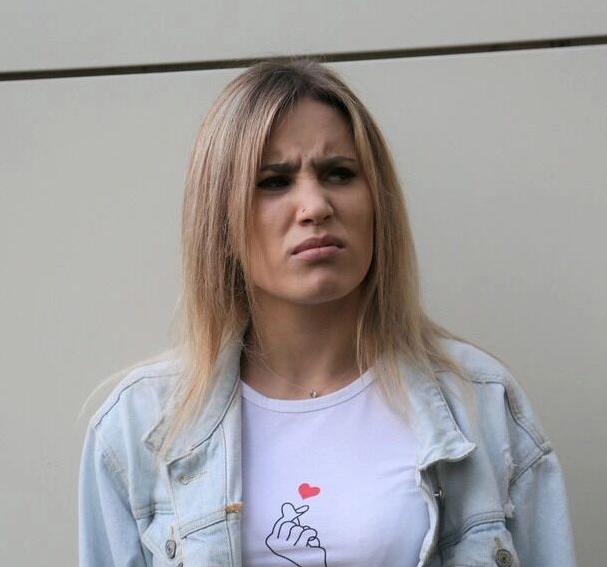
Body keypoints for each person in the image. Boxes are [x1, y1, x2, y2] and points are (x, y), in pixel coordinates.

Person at [79, 58, 575, 567]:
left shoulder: (480, 403)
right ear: (219, 219)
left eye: (338, 173)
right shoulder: (138, 429)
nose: (315, 206)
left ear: (377, 201)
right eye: (274, 181)